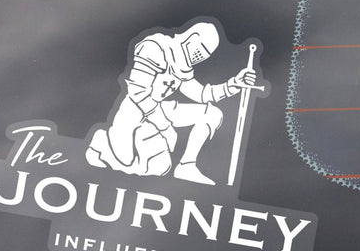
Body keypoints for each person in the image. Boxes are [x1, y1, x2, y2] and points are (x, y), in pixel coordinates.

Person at [86, 21, 256, 185]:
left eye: (206, 54)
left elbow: (202, 94)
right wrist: (164, 126)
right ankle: (103, 143)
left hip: (159, 109)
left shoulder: (183, 66)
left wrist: (234, 84)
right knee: (125, 162)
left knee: (210, 116)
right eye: (200, 50)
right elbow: (138, 93)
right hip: (133, 111)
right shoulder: (155, 47)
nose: (200, 57)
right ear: (191, 38)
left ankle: (186, 166)